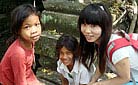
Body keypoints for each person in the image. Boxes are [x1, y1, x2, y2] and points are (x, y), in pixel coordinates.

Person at [78, 3, 138, 85]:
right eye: (84, 24)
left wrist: (99, 84)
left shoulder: (117, 51)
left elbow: (125, 78)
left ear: (104, 26)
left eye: (93, 26)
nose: (87, 31)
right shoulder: (101, 41)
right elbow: (101, 64)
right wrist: (93, 81)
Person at [0, 4, 45, 85]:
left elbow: (27, 69)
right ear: (18, 30)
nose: (34, 30)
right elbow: (19, 82)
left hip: (26, 74)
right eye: (27, 27)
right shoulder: (18, 53)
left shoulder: (30, 41)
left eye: (37, 24)